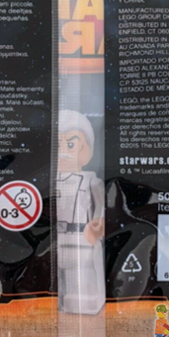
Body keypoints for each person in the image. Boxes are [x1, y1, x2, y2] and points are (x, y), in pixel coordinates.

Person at [57, 110, 105, 315]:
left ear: (85, 149)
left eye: (70, 144)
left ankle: (84, 305)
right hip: (55, 239)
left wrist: (99, 223)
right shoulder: (47, 183)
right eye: (57, 144)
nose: (62, 150)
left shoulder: (91, 181)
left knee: (81, 279)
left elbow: (103, 204)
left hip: (80, 237)